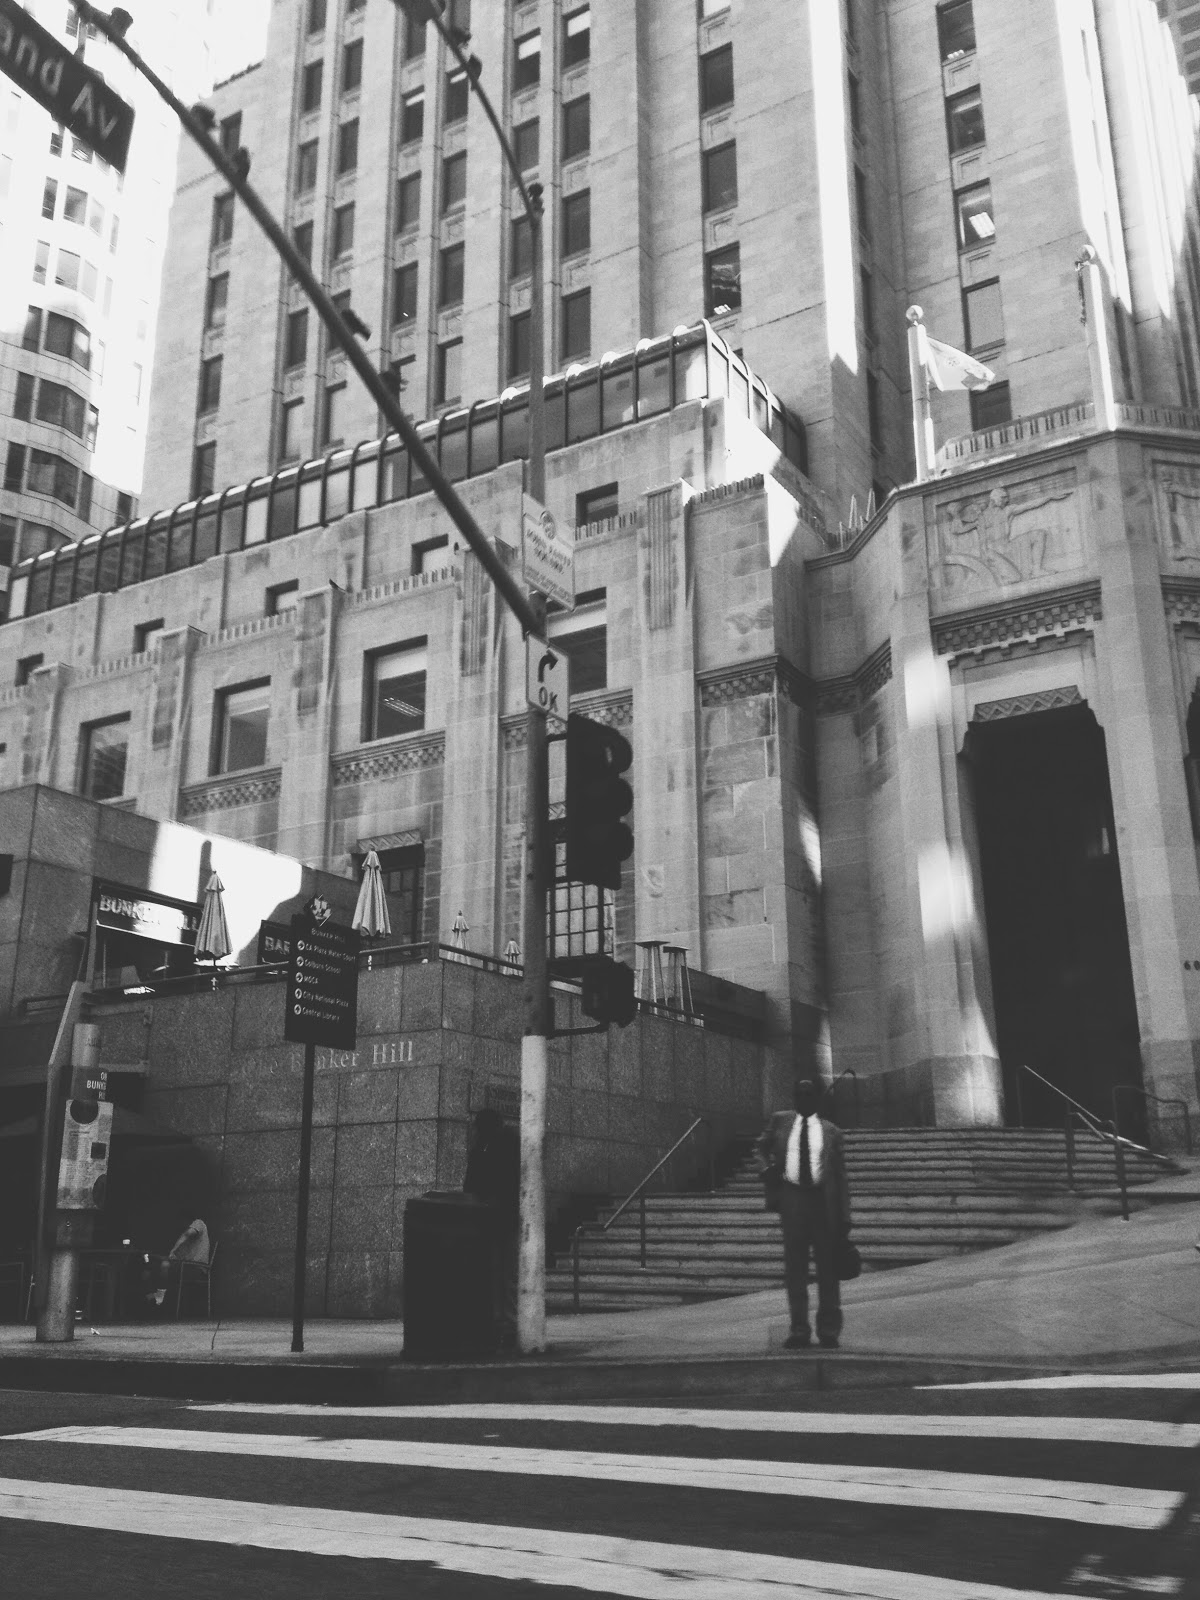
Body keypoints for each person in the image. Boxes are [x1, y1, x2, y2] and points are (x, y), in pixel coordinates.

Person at [758, 1079, 852, 1349]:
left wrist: (845, 1216)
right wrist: (766, 1170)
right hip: (793, 1200)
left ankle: (829, 1330)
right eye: (799, 1094)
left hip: (823, 1203)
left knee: (828, 1271)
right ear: (794, 1098)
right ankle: (799, 1329)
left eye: (809, 1095)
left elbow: (842, 1177)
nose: (804, 1099)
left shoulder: (831, 1131)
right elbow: (761, 1148)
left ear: (817, 1100)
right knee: (795, 1270)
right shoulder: (781, 1122)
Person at [463, 1108, 520, 1350]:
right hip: (497, 1217)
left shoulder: (490, 1147)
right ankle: (504, 1322)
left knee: (501, 1272)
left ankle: (504, 1322)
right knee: (502, 1273)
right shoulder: (491, 1146)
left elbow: (472, 1183)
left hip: (497, 1217)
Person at [143, 1212, 210, 1309]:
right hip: (185, 1267)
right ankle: (154, 1297)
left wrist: (173, 1249)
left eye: (182, 1222)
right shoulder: (185, 1245)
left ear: (187, 1220)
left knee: (165, 1265)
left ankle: (159, 1296)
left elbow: (187, 1233)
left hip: (197, 1269)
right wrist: (157, 1257)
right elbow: (173, 1259)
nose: (181, 1226)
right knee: (149, 1269)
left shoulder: (198, 1223)